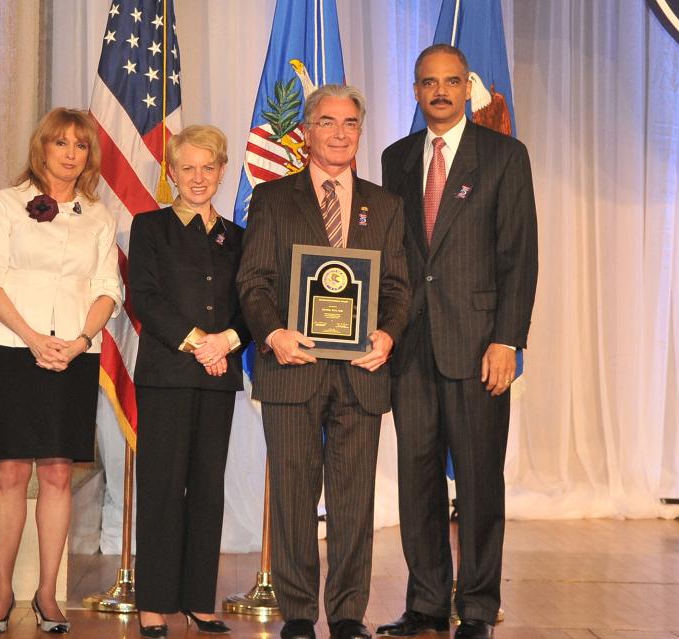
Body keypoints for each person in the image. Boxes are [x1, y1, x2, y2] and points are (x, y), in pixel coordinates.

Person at [237, 85, 410, 639]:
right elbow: (254, 281)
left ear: (360, 131)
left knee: (354, 501)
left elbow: (398, 288)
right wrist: (273, 334)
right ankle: (297, 613)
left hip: (361, 373)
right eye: (328, 122)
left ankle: (349, 613)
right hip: (291, 368)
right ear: (307, 132)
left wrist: (387, 335)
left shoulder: (385, 205)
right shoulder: (272, 198)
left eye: (350, 123)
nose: (339, 133)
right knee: (292, 496)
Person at [377, 44, 538, 639]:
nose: (440, 91)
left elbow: (520, 255)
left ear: (467, 88)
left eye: (450, 81)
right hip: (410, 348)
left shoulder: (504, 155)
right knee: (416, 478)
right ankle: (425, 603)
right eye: (428, 82)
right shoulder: (395, 158)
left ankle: (476, 607)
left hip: (478, 348)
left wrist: (507, 340)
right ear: (416, 90)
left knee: (478, 481)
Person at [0, 108, 122, 635]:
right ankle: (2, 593)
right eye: (61, 143)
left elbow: (108, 289)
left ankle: (48, 595)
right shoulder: (7, 203)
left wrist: (78, 342)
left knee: (57, 474)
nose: (71, 154)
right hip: (13, 349)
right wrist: (33, 337)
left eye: (80, 145)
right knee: (11, 473)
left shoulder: (98, 215)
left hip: (74, 355)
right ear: (43, 148)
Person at [129, 125, 250, 638]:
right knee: (161, 487)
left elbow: (251, 304)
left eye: (208, 167)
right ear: (171, 173)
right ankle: (154, 603)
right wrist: (201, 343)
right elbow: (145, 297)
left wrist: (226, 342)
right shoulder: (149, 227)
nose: (198, 178)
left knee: (206, 489)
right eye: (187, 168)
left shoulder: (238, 237)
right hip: (166, 375)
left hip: (218, 376)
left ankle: (199, 600)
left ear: (222, 171)